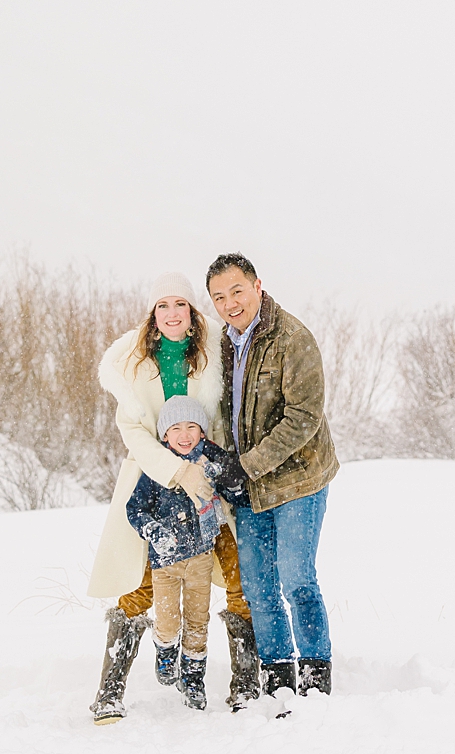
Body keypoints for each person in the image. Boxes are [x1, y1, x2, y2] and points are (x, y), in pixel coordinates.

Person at [87, 272, 260, 725]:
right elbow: (133, 430)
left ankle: (246, 684)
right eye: (162, 305)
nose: (171, 313)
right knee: (139, 585)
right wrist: (177, 471)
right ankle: (109, 692)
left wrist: (215, 471)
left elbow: (222, 419)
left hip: (209, 489)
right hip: (156, 485)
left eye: (179, 304)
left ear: (192, 310)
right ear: (152, 314)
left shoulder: (212, 353)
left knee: (239, 578)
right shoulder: (134, 361)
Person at [206, 252, 339, 705]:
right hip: (248, 487)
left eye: (237, 291)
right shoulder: (222, 345)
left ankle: (316, 676)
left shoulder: (292, 338)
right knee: (259, 588)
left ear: (257, 286)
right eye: (219, 297)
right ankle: (278, 676)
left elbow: (304, 417)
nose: (230, 303)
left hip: (298, 481)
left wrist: (247, 465)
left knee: (297, 579)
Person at [125, 395, 250, 710]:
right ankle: (166, 650)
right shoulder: (159, 469)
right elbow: (135, 509)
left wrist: (228, 478)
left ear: (202, 432)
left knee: (197, 623)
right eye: (176, 428)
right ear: (165, 435)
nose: (184, 435)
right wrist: (155, 532)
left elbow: (236, 488)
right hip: (165, 563)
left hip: (201, 559)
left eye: (192, 427)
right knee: (168, 621)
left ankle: (193, 680)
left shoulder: (210, 461)